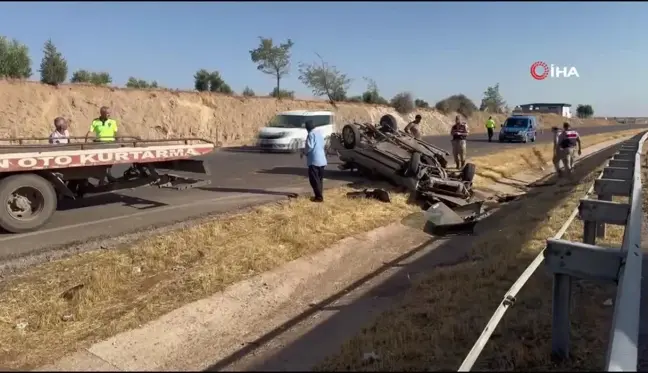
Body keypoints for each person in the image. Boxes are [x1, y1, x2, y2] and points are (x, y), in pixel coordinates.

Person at [301, 120, 327, 202]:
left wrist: (303, 152)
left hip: (314, 160)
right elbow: (323, 144)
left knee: (314, 180)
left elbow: (309, 146)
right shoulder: (319, 134)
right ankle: (319, 195)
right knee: (319, 180)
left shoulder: (311, 134)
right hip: (322, 160)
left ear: (307, 128)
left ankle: (319, 197)